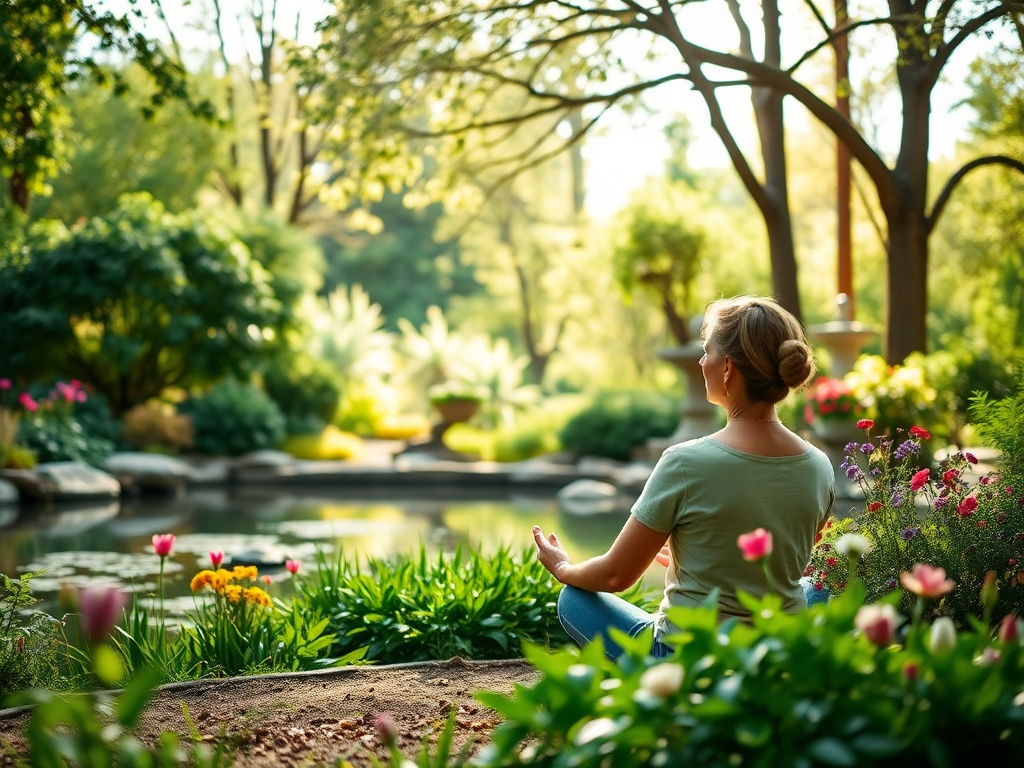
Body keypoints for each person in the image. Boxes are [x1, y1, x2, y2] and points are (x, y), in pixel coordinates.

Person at [532, 295, 835, 659]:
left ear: (728, 369)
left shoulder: (685, 462)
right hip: (775, 649)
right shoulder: (819, 465)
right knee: (818, 585)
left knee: (574, 599)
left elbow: (615, 576)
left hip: (686, 659)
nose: (701, 361)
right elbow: (789, 561)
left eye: (707, 351)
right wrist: (695, 562)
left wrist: (565, 567)